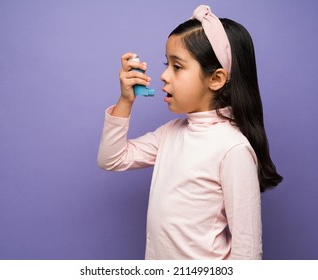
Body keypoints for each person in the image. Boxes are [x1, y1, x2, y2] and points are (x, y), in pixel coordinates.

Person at [97, 5, 282, 260]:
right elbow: (112, 158)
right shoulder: (170, 134)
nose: (163, 76)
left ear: (216, 79)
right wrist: (125, 101)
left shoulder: (233, 149)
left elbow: (247, 249)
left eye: (177, 66)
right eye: (166, 64)